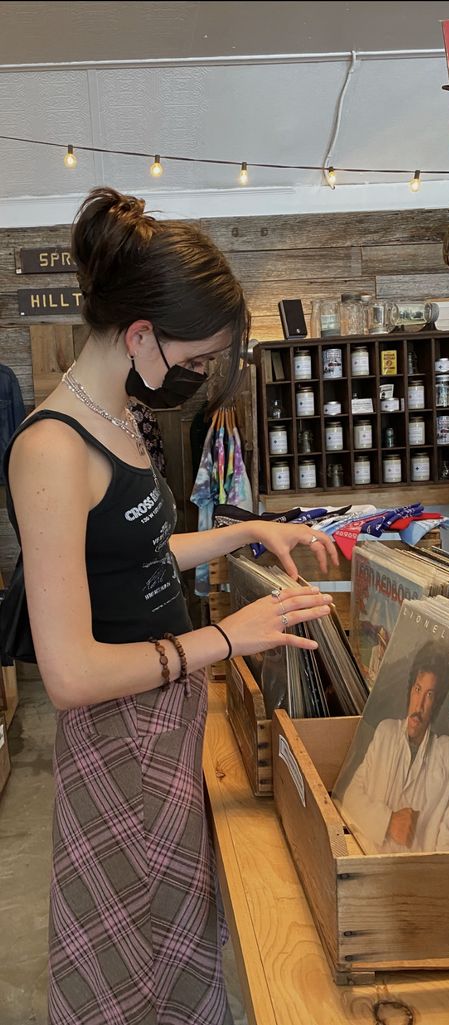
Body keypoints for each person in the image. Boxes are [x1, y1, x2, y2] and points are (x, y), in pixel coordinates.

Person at [5, 187, 338, 1025]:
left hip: (164, 719)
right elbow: (73, 672)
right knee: (128, 966)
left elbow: (139, 557)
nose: (196, 375)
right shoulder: (50, 447)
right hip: (118, 741)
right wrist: (225, 637)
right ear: (142, 334)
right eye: (197, 357)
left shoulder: (117, 415)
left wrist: (244, 533)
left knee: (177, 946)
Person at [340, 639, 449, 854]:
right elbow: (350, 797)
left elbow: (448, 844)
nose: (419, 705)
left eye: (430, 695)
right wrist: (388, 822)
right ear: (410, 690)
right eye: (417, 689)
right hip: (364, 860)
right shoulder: (385, 733)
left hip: (416, 881)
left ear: (438, 702)